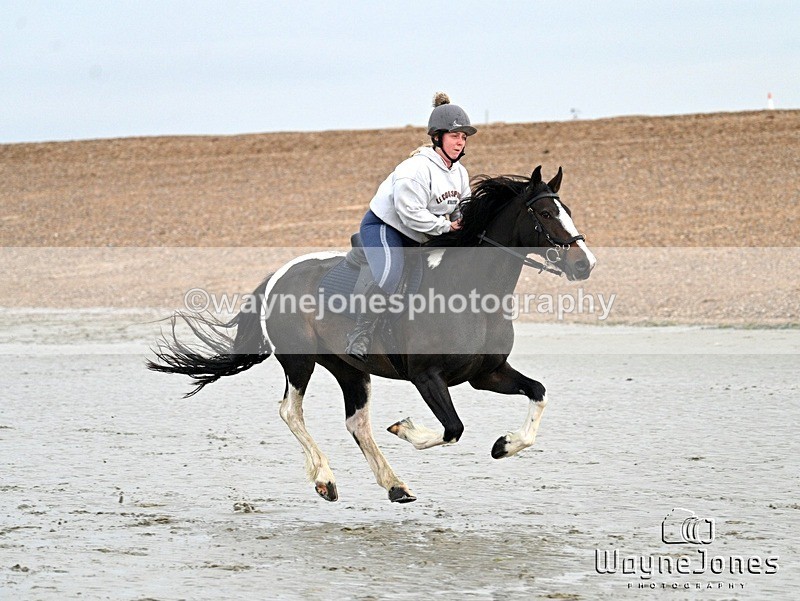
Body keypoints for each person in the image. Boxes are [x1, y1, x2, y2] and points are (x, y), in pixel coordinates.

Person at [345, 92, 477, 360]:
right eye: (454, 136)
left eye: (463, 137)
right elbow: (410, 215)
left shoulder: (459, 172)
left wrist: (463, 218)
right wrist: (447, 228)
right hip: (386, 228)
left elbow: (463, 203)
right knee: (391, 275)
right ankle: (360, 334)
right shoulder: (414, 170)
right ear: (438, 137)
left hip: (425, 233)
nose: (460, 142)